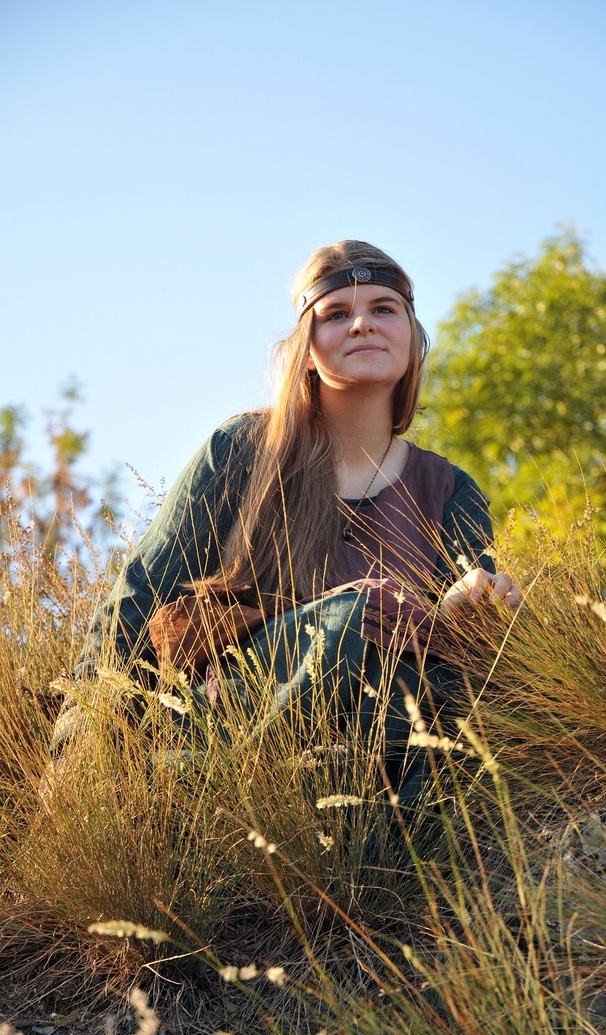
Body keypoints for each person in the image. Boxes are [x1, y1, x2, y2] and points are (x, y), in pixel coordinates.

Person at [48, 240, 521, 802]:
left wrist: (471, 608)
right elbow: (141, 595)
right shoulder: (246, 449)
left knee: (454, 691)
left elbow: (466, 644)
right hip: (230, 712)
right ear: (307, 345)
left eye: (384, 309)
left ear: (412, 335)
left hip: (382, 725)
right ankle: (225, 785)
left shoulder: (449, 490)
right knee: (363, 610)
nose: (362, 324)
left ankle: (372, 847)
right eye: (337, 314)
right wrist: (81, 731)